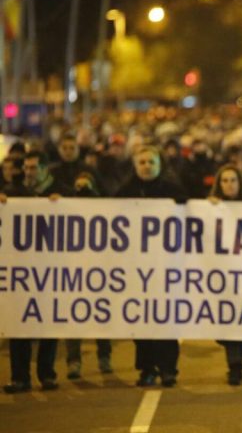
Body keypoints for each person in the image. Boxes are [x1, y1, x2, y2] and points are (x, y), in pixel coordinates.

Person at [115, 145, 188, 387]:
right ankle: (146, 368)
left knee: (166, 319)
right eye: (142, 162)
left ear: (159, 165)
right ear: (135, 166)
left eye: (151, 162)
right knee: (142, 321)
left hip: (167, 267)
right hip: (137, 268)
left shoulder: (174, 191)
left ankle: (168, 369)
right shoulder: (125, 192)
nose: (147, 166)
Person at [2, 150, 73, 393]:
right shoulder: (13, 192)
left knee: (47, 324)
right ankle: (20, 377)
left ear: (45, 169)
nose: (30, 173)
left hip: (51, 268)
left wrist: (63, 203)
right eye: (27, 168)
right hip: (21, 269)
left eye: (34, 168)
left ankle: (47, 375)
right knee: (19, 324)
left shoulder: (61, 190)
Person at [208, 164, 242, 385]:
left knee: (240, 318)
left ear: (240, 183)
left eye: (233, 180)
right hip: (219, 273)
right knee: (225, 320)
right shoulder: (209, 208)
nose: (228, 185)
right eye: (224, 181)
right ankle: (234, 362)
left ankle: (236, 366)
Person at [65, 172, 113, 380]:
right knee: (73, 320)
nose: (82, 190)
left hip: (99, 272)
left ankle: (104, 357)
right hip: (73, 273)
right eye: (78, 186)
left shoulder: (102, 210)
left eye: (86, 186)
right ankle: (73, 361)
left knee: (102, 318)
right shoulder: (67, 210)